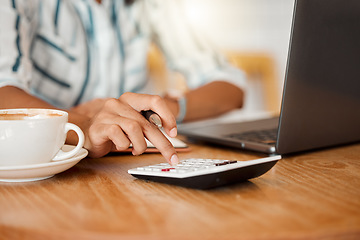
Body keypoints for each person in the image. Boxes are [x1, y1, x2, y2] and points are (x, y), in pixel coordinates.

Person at [0, 0, 246, 165]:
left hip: (128, 164)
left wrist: (159, 111)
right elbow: (3, 89)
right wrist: (85, 127)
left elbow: (230, 85)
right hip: (44, 168)